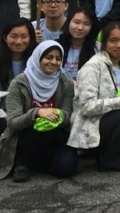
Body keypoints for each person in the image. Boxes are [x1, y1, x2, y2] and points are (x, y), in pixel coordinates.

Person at [68, 22, 120, 171]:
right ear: (103, 43)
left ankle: (110, 149)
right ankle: (113, 161)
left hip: (118, 118)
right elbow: (87, 107)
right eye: (113, 41)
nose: (119, 45)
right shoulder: (92, 67)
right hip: (93, 122)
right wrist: (119, 101)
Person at [0, 41, 77, 183]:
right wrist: (37, 113)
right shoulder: (18, 83)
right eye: (48, 57)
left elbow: (68, 116)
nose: (53, 62)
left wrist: (58, 114)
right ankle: (22, 162)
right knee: (31, 132)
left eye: (58, 58)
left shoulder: (65, 83)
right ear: (38, 58)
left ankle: (38, 163)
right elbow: (13, 122)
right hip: (26, 137)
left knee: (66, 168)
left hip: (55, 136)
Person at [57, 8, 99, 81]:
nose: (80, 28)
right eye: (76, 22)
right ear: (68, 22)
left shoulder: (97, 49)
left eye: (86, 24)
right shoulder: (56, 45)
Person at [1, 19, 37, 84]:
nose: (18, 42)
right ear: (5, 38)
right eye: (14, 36)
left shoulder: (37, 62)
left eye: (24, 36)